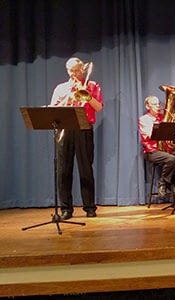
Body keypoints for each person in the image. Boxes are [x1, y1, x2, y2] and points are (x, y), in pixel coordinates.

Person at [49, 57, 103, 220]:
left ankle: (89, 207)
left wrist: (85, 94)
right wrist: (67, 99)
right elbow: (53, 108)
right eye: (71, 71)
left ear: (83, 70)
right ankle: (66, 209)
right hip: (64, 129)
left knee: (85, 168)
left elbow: (98, 107)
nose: (73, 74)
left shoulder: (92, 85)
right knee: (63, 170)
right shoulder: (61, 88)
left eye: (77, 70)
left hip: (84, 128)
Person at [138, 95, 175, 198]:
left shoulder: (164, 117)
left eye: (158, 104)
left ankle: (172, 181)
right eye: (154, 104)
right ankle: (163, 183)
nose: (158, 106)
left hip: (167, 150)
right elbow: (152, 135)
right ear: (147, 106)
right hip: (152, 151)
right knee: (172, 159)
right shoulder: (144, 119)